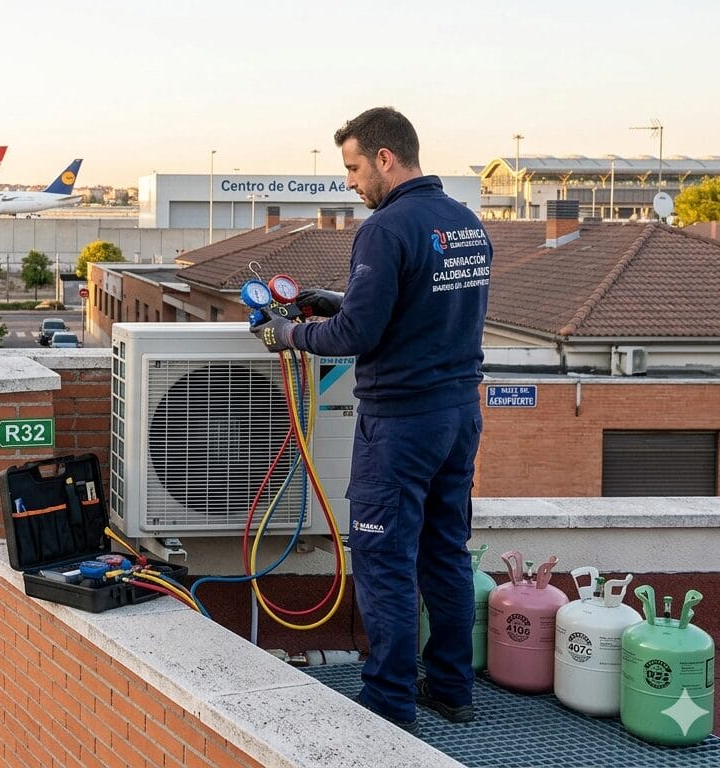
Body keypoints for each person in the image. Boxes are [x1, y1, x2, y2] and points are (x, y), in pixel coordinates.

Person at [251, 107, 492, 734]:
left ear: (385, 159)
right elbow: (413, 306)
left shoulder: (386, 229)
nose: (351, 184)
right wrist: (339, 298)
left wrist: (291, 335)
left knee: (383, 557)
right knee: (446, 552)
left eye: (354, 168)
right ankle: (452, 690)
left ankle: (388, 705)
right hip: (458, 416)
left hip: (401, 426)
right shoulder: (464, 224)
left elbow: (358, 333)